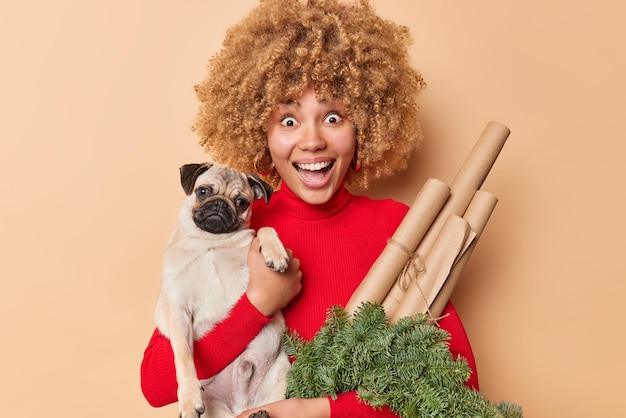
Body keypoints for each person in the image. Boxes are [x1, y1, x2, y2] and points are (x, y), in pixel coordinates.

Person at [141, 0, 479, 417]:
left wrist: (312, 411)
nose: (312, 140)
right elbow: (156, 386)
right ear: (257, 130)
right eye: (288, 120)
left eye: (333, 116)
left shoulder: (401, 228)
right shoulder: (239, 230)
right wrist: (257, 305)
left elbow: (457, 385)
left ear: (365, 126)